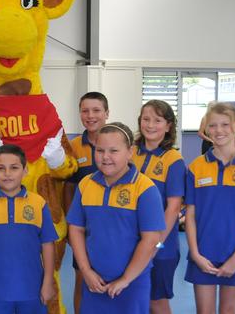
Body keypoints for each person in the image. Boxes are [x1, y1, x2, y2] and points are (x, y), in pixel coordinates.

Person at [68, 123, 165, 313]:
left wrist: (125, 279)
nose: (105, 157)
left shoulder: (144, 188)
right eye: (100, 150)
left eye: (114, 151)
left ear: (130, 152)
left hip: (132, 284)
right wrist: (86, 271)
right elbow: (76, 229)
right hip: (94, 282)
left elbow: (152, 239)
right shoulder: (85, 185)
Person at [184, 102, 235, 314]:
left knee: (229, 310)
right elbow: (190, 216)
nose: (218, 130)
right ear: (206, 128)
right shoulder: (196, 167)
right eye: (212, 125)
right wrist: (195, 253)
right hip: (203, 253)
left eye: (224, 124)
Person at [0, 144, 58, 314]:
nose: (7, 174)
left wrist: (48, 282)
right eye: (1, 168)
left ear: (25, 170)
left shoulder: (38, 203)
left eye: (14, 168)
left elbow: (48, 245)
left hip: (32, 290)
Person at [131, 100, 185, 314]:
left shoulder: (174, 160)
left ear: (168, 125)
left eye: (157, 120)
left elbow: (173, 208)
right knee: (135, 298)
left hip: (161, 246)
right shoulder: (130, 152)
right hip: (131, 240)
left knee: (156, 301)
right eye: (146, 119)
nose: (150, 125)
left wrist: (155, 245)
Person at [64, 91, 109, 313]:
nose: (90, 116)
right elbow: (68, 189)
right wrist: (71, 227)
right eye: (85, 111)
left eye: (96, 110)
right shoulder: (72, 147)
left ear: (106, 113)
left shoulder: (119, 142)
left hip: (113, 227)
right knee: (82, 279)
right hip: (84, 229)